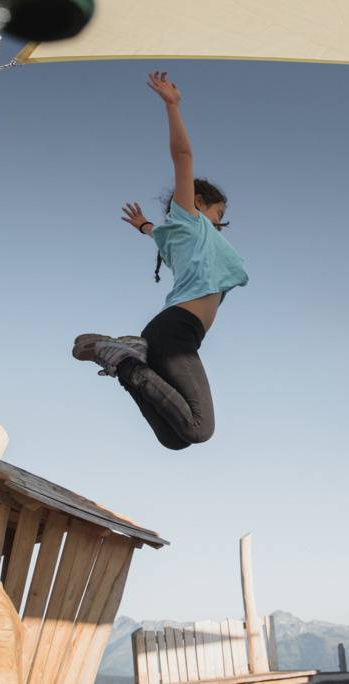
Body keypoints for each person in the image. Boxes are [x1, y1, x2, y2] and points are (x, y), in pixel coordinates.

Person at [72, 71, 248, 449]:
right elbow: (183, 157)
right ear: (199, 204)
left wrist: (143, 226)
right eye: (218, 213)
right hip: (176, 331)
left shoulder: (175, 239)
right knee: (199, 428)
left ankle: (127, 362)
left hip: (174, 333)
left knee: (176, 437)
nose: (219, 222)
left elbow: (157, 233)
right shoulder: (190, 219)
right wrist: (173, 106)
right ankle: (120, 357)